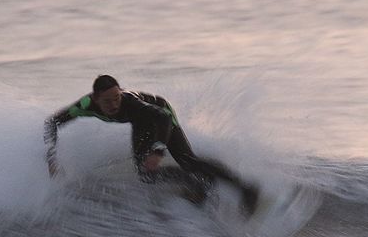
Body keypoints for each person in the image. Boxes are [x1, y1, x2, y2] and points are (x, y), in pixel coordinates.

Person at [44, 75, 259, 214]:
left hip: (160, 114)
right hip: (140, 123)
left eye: (117, 98)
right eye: (108, 101)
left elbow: (163, 118)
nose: (114, 104)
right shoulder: (84, 106)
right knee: (146, 174)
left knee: (186, 160)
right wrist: (52, 156)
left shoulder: (131, 102)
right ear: (96, 98)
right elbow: (52, 122)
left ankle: (245, 189)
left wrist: (158, 150)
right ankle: (198, 187)